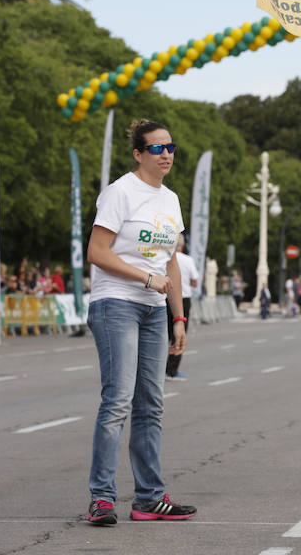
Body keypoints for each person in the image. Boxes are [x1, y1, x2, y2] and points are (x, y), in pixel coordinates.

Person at [84, 118, 196, 525]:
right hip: (116, 303)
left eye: (170, 147)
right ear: (138, 153)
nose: (165, 154)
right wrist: (145, 278)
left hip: (154, 310)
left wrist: (178, 316)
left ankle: (149, 497)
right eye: (156, 148)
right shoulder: (120, 192)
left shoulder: (170, 199)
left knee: (151, 403)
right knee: (117, 401)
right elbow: (97, 251)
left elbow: (171, 263)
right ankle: (101, 498)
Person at [166, 233, 199, 381]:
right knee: (178, 336)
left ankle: (156, 369)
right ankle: (172, 371)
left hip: (165, 297)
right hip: (183, 299)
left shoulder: (165, 257)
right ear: (183, 246)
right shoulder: (188, 260)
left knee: (162, 335)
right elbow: (194, 282)